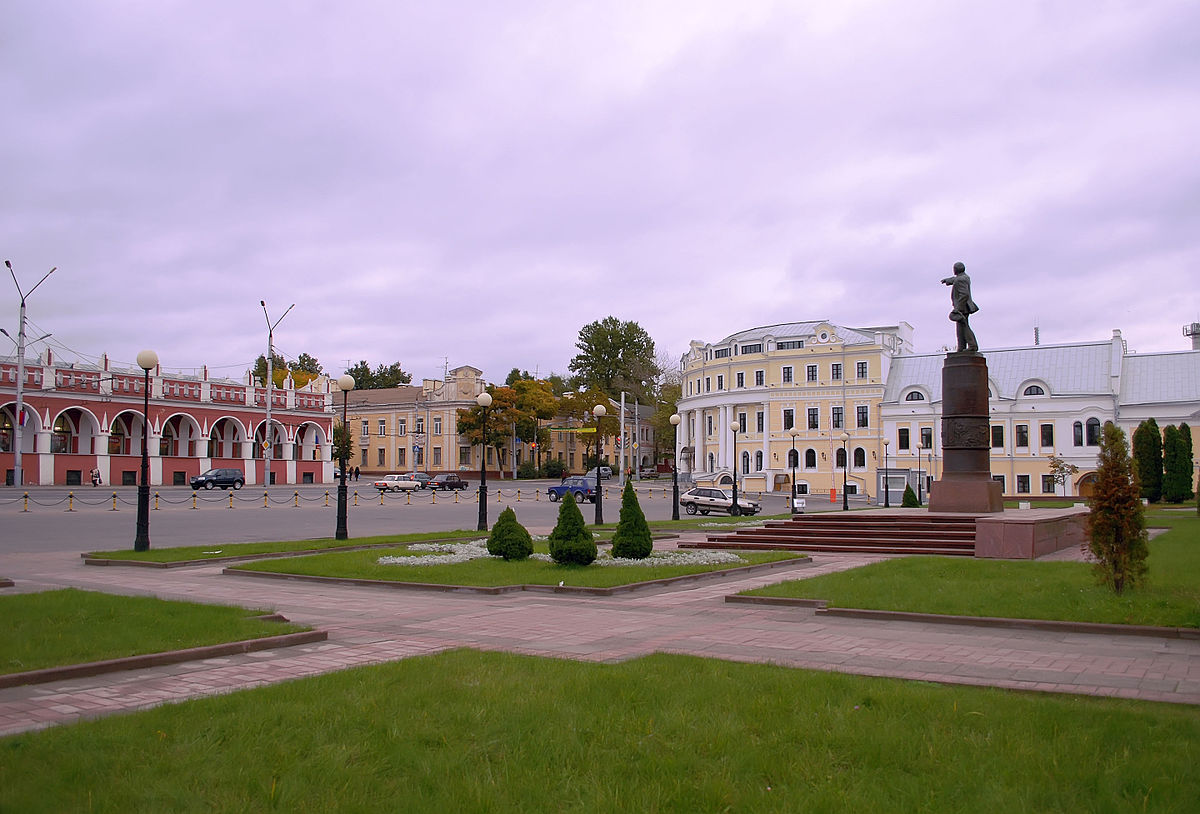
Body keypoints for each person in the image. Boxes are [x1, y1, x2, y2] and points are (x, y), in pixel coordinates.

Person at [941, 261, 979, 352]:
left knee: (964, 327)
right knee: (960, 328)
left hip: (962, 307)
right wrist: (948, 280)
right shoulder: (965, 277)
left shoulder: (960, 280)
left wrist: (957, 309)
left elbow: (964, 295)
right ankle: (961, 346)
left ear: (955, 270)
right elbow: (956, 279)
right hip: (964, 307)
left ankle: (972, 345)